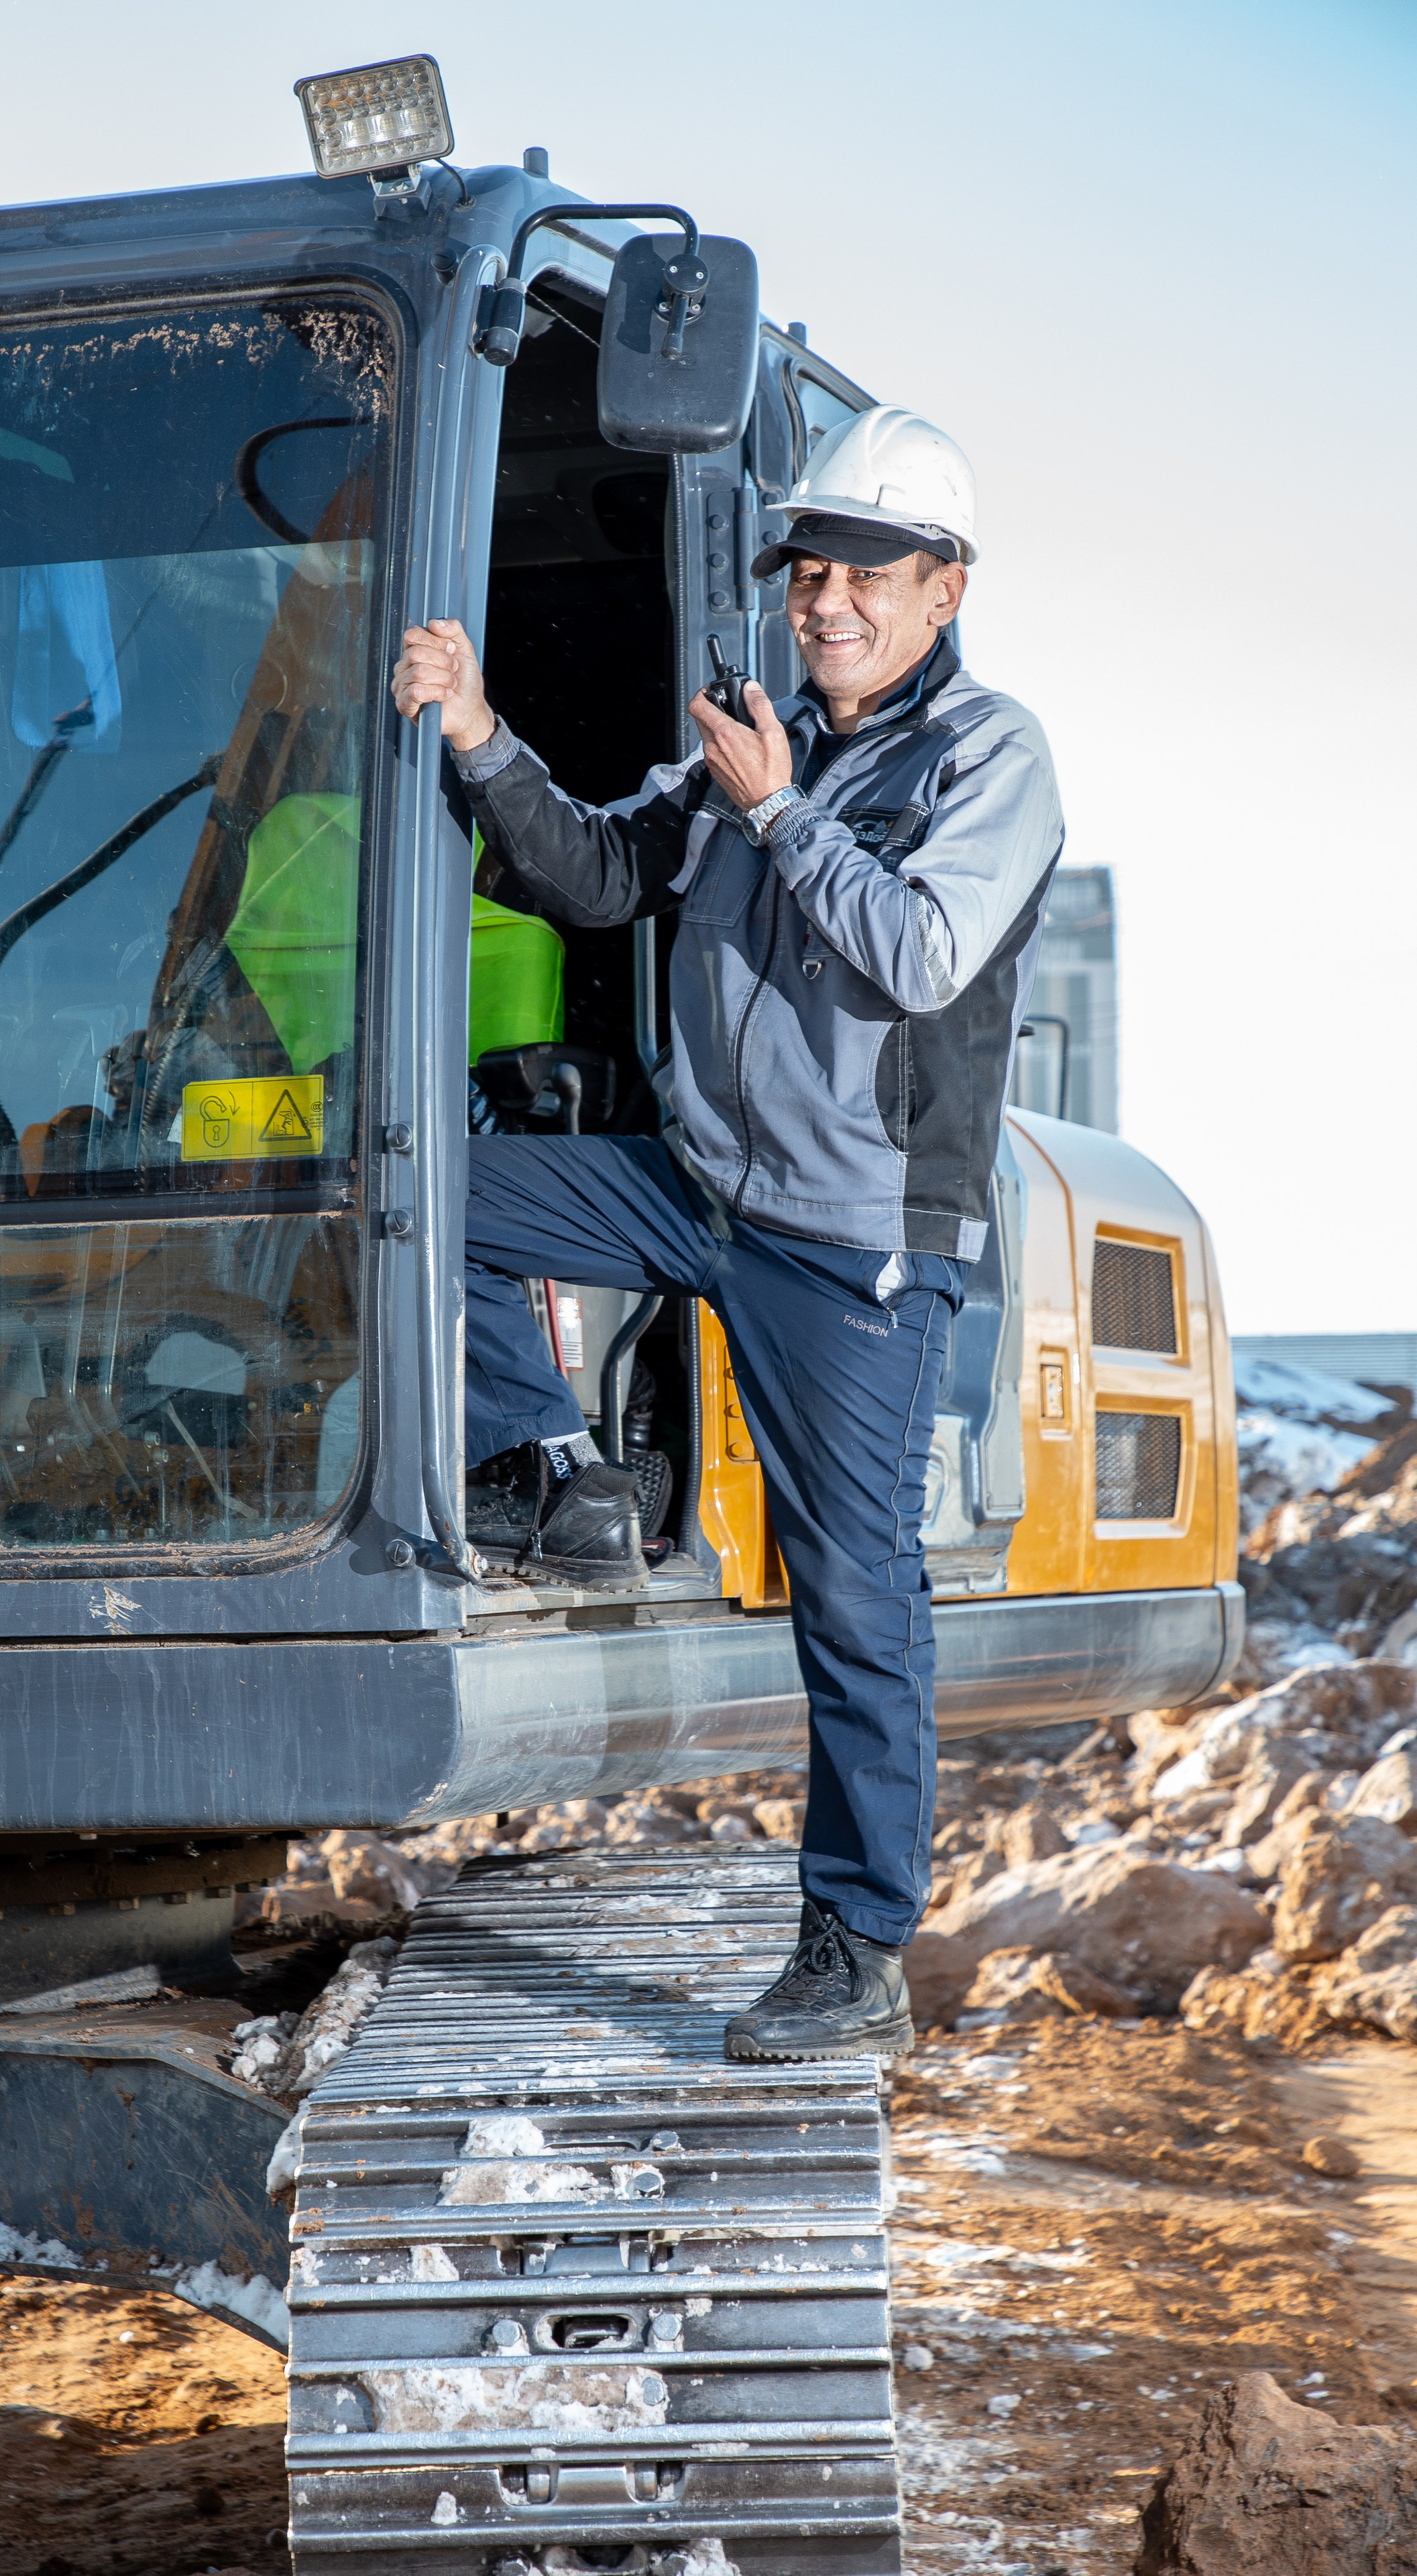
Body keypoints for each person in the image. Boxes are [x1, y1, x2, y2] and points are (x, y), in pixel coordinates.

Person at [391, 406, 1064, 2060]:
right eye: (809, 569)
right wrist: (481, 737)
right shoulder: (751, 742)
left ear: (943, 586)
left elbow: (915, 956)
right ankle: (549, 1467)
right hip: (705, 1185)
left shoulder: (989, 759)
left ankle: (853, 1955)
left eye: (865, 573)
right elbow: (603, 875)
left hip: (853, 1240)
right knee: (432, 1198)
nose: (825, 599)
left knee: (853, 1593)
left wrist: (776, 816)